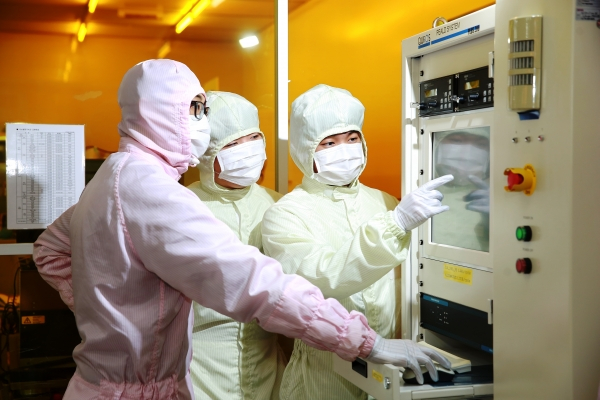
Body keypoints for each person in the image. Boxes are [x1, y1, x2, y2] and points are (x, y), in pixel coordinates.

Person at [32, 62, 449, 399]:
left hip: (154, 379)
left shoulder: (115, 176)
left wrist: (111, 314)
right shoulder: (155, 191)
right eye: (194, 109)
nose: (201, 121)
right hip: (161, 383)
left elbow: (49, 250)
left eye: (203, 109)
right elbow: (253, 282)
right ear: (158, 113)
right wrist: (368, 343)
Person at [261, 84, 454, 400]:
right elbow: (323, 278)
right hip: (323, 375)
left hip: (393, 362)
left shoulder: (385, 202)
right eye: (329, 142)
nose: (344, 149)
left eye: (352, 139)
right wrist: (394, 225)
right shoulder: (284, 214)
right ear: (304, 150)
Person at [186, 91, 284, 399]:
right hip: (200, 367)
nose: (247, 150)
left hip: (268, 362)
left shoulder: (278, 205)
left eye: (253, 138)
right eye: (232, 144)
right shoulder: (183, 206)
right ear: (206, 152)